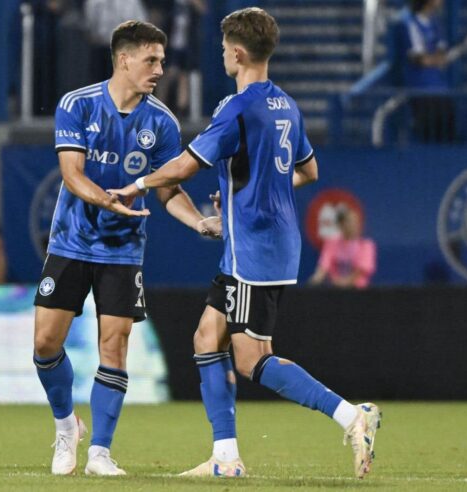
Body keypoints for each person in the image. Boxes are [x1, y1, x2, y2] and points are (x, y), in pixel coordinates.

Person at [108, 7, 381, 479]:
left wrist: (137, 185)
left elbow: (184, 166)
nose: (221, 57)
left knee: (253, 359)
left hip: (256, 249)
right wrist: (249, 189)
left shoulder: (237, 107)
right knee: (205, 337)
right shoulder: (285, 105)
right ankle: (226, 458)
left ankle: (351, 415)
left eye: (221, 51)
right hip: (258, 243)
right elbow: (309, 171)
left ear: (236, 53)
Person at [34, 20, 217, 477]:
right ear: (124, 59)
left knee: (114, 345)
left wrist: (197, 221)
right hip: (72, 242)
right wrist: (108, 199)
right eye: (151, 59)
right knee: (44, 343)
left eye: (161, 60)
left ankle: (99, 453)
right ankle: (65, 426)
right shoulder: (77, 105)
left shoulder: (162, 122)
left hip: (122, 251)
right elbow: (72, 175)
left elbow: (169, 190)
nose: (159, 68)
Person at [395, 0, 454, 142]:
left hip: (441, 90)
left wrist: (432, 59)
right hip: (421, 91)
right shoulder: (408, 22)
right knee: (426, 138)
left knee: (447, 137)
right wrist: (431, 60)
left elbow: (442, 56)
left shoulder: (436, 22)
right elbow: (420, 59)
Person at [309, 208, 377, 289]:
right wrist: (315, 280)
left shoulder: (366, 245)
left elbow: (361, 270)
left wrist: (345, 283)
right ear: (341, 225)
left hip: (358, 291)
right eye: (349, 222)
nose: (353, 225)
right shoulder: (331, 243)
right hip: (335, 290)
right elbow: (324, 266)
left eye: (356, 222)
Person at [84, 0, 148, 83]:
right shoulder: (93, 2)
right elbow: (88, 30)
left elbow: (141, 26)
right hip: (100, 51)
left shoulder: (132, 2)